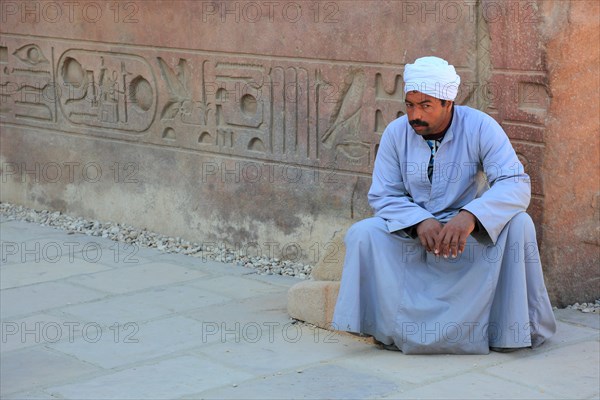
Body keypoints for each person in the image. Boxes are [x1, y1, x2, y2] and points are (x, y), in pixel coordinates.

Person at [332, 56, 556, 355]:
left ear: (448, 103)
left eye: (425, 105)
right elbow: (384, 194)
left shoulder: (480, 127)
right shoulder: (396, 133)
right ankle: (385, 328)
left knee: (520, 224)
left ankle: (507, 331)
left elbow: (515, 182)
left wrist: (471, 216)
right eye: (410, 105)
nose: (415, 115)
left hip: (467, 237)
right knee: (363, 234)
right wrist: (418, 221)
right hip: (414, 235)